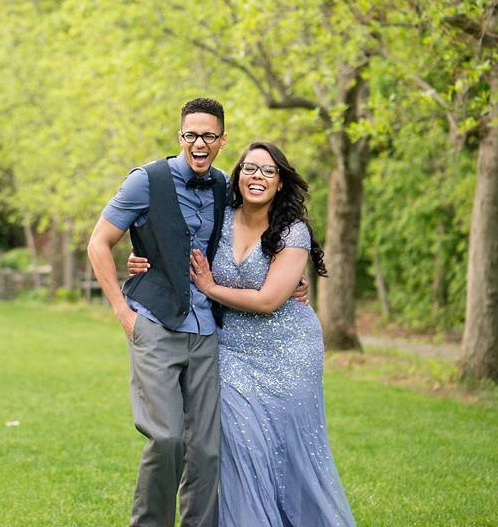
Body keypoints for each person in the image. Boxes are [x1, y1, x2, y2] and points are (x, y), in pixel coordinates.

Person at [87, 99, 307, 527]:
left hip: (208, 331)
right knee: (166, 439)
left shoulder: (227, 185)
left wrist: (290, 273)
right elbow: (99, 242)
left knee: (206, 450)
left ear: (223, 140)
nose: (199, 143)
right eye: (191, 135)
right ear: (180, 137)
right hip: (154, 323)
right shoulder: (145, 181)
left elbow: (257, 232)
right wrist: (121, 310)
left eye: (209, 135)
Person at [129, 142, 355, 527]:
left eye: (269, 172)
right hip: (232, 348)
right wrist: (141, 262)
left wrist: (212, 288)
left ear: (281, 183)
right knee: (240, 445)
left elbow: (268, 300)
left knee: (289, 453)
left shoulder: (292, 230)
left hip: (289, 350)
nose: (258, 177)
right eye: (250, 168)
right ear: (238, 175)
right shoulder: (221, 215)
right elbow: (175, 244)